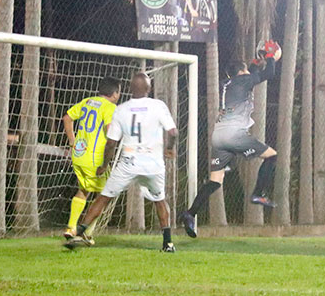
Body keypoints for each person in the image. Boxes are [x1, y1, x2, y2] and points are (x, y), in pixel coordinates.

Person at [64, 72, 179, 252]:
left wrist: (104, 165)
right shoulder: (158, 106)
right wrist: (170, 148)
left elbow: (111, 143)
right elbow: (173, 132)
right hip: (152, 164)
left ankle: (79, 231)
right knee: (160, 200)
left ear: (130, 89)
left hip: (128, 162)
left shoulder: (121, 109)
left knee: (103, 197)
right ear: (149, 88)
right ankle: (168, 243)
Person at [180, 40, 282, 238]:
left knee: (215, 181)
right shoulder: (244, 81)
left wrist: (255, 61)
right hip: (235, 135)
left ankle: (189, 213)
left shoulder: (226, 83)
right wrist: (270, 56)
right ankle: (258, 194)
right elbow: (269, 74)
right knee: (271, 156)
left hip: (219, 136)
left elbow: (248, 74)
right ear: (242, 72)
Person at [62, 77, 122, 244]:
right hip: (95, 158)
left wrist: (72, 141)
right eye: (119, 91)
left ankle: (71, 227)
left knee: (84, 189)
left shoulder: (87, 101)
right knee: (105, 194)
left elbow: (67, 118)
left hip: (79, 154)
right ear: (115, 93)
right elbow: (110, 131)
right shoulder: (110, 107)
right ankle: (86, 233)